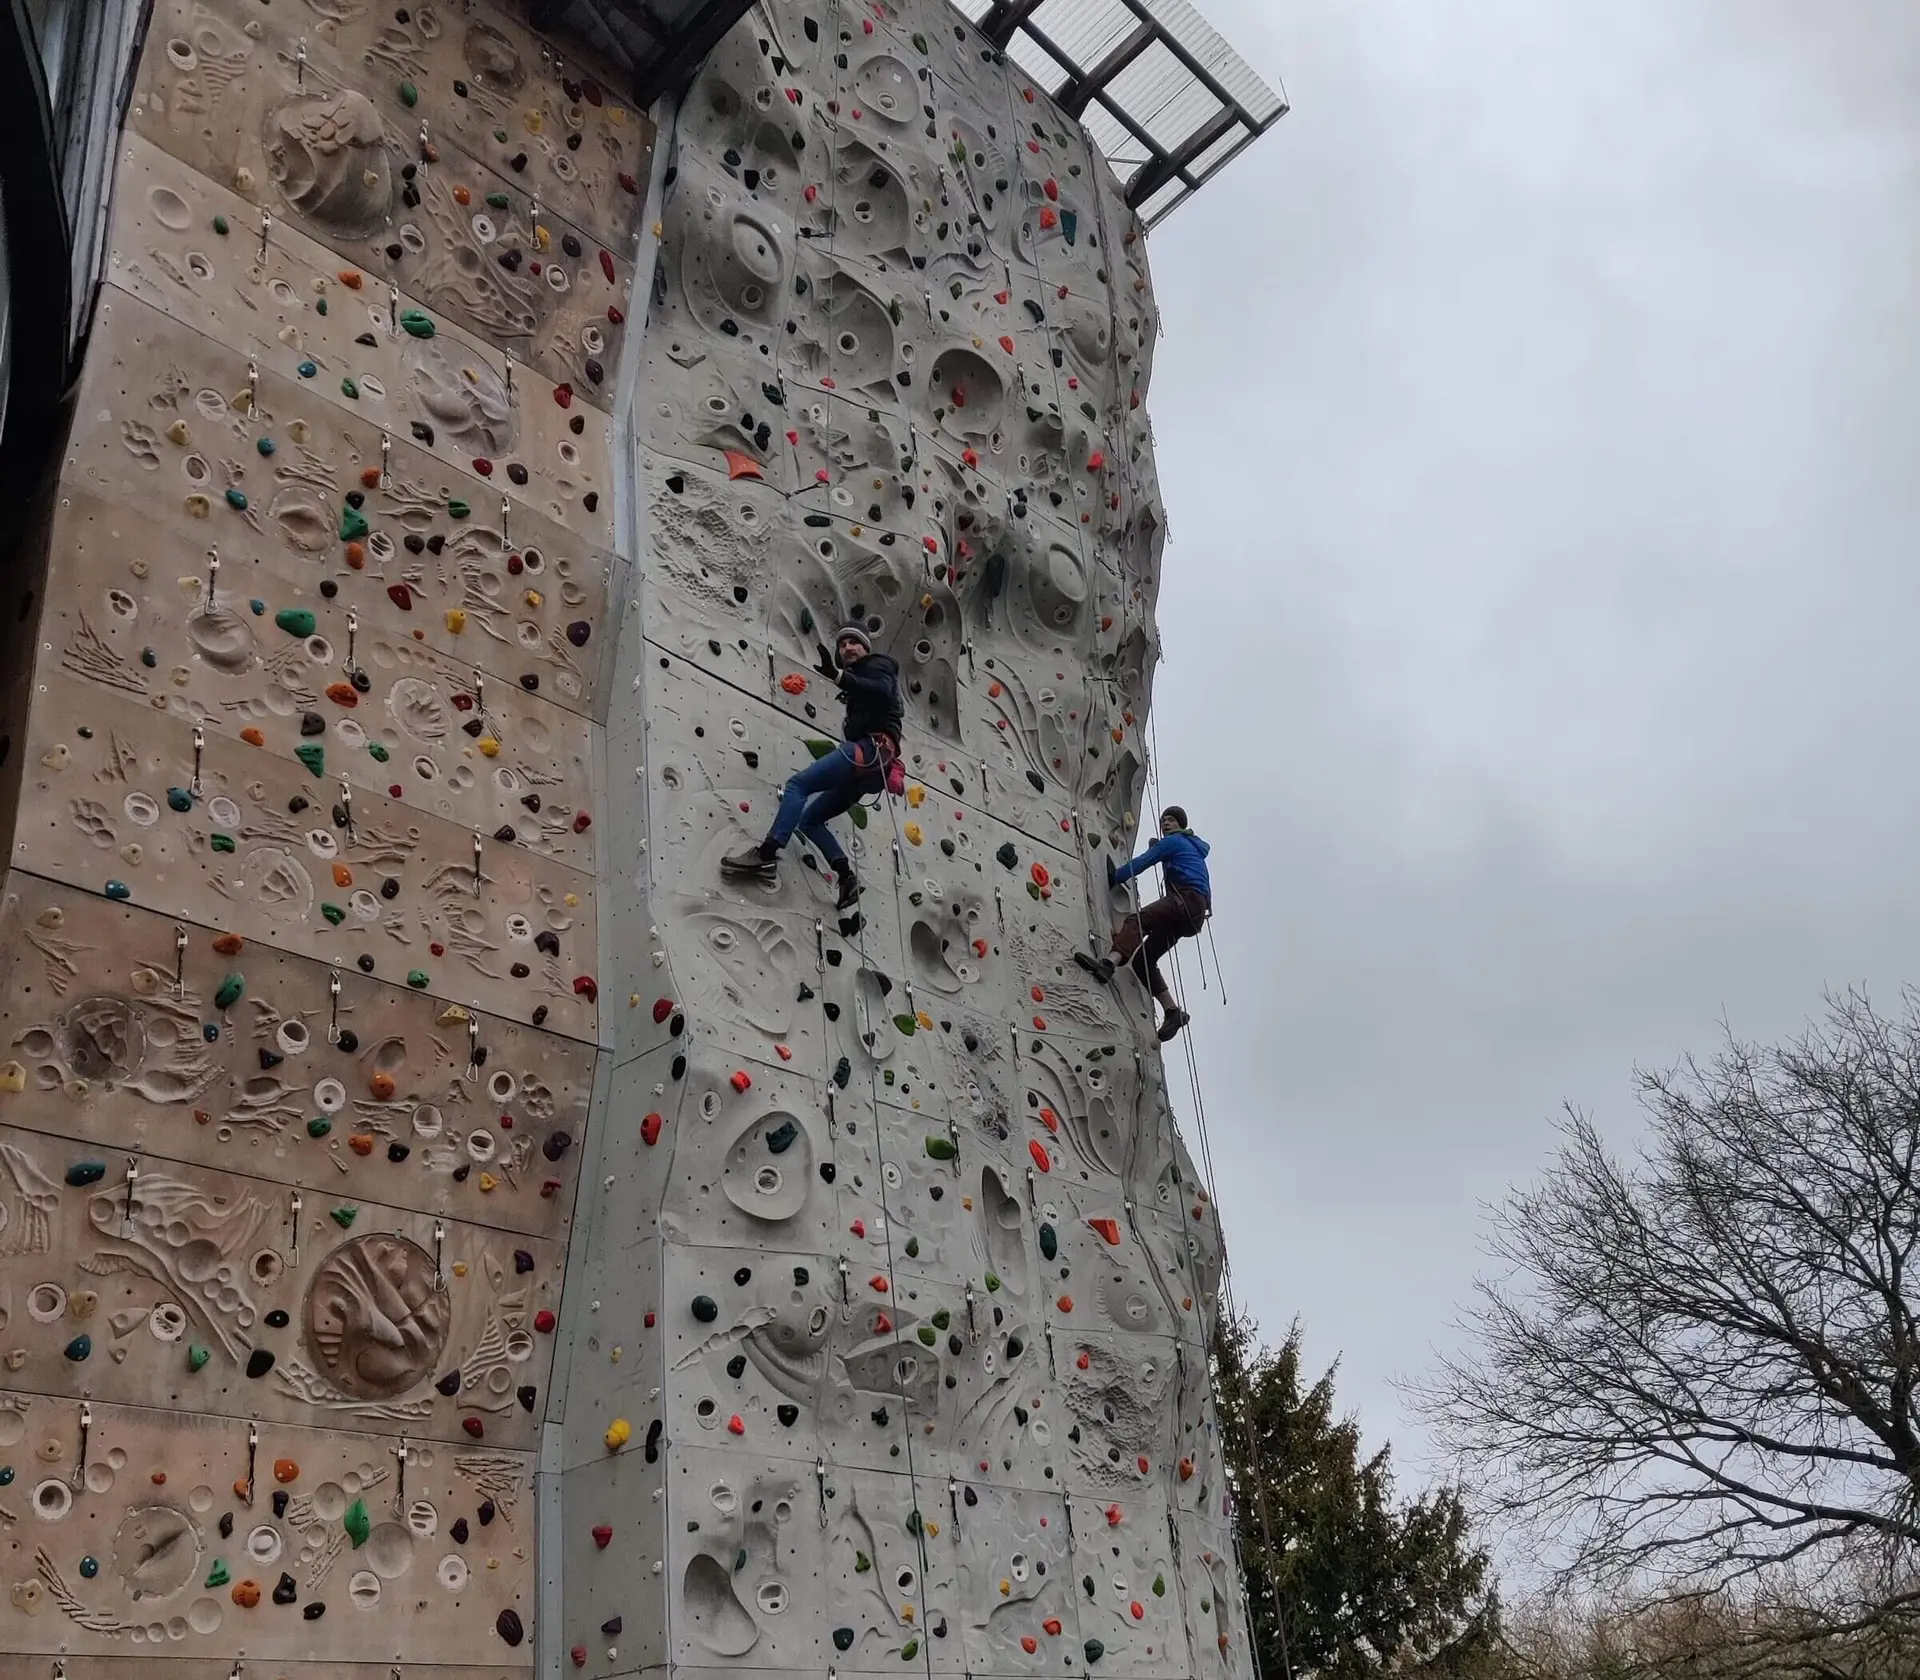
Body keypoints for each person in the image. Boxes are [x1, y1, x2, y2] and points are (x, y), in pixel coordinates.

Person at [723, 626, 903, 910]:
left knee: (798, 786)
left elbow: (881, 690)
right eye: (842, 644)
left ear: (867, 648)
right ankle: (846, 877)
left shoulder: (878, 665)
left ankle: (766, 853)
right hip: (872, 766)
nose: (847, 648)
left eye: (854, 642)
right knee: (810, 821)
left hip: (869, 750)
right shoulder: (863, 681)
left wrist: (840, 676)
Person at [1076, 806, 1211, 1041]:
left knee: (1138, 920)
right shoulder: (1192, 847)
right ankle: (1172, 1011)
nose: (1165, 824)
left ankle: (1108, 964)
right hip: (1192, 914)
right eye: (1163, 821)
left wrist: (1115, 877)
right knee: (1143, 961)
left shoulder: (1175, 841)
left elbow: (1144, 862)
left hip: (1185, 900)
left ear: (1180, 824)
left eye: (1170, 820)